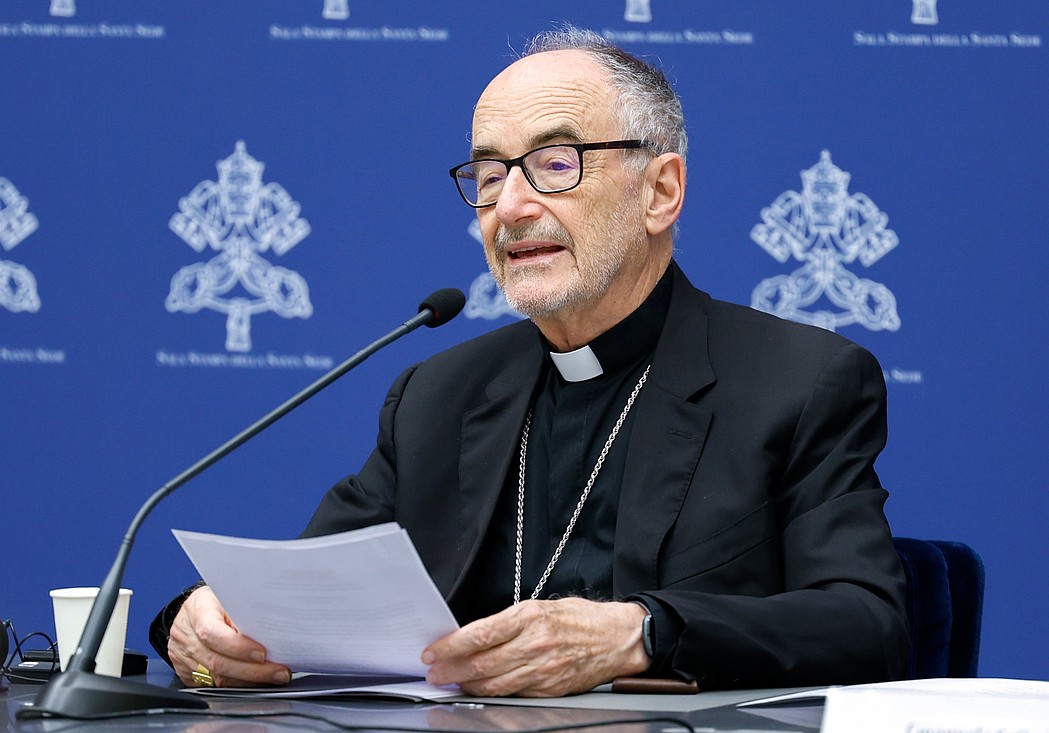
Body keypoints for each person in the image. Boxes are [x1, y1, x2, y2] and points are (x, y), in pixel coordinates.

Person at [151, 26, 909, 697]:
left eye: (554, 163)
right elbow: (302, 598)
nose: (510, 207)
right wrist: (195, 622)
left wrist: (641, 632)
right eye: (488, 177)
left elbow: (864, 619)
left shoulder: (798, 380)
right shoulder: (438, 393)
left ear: (661, 191)